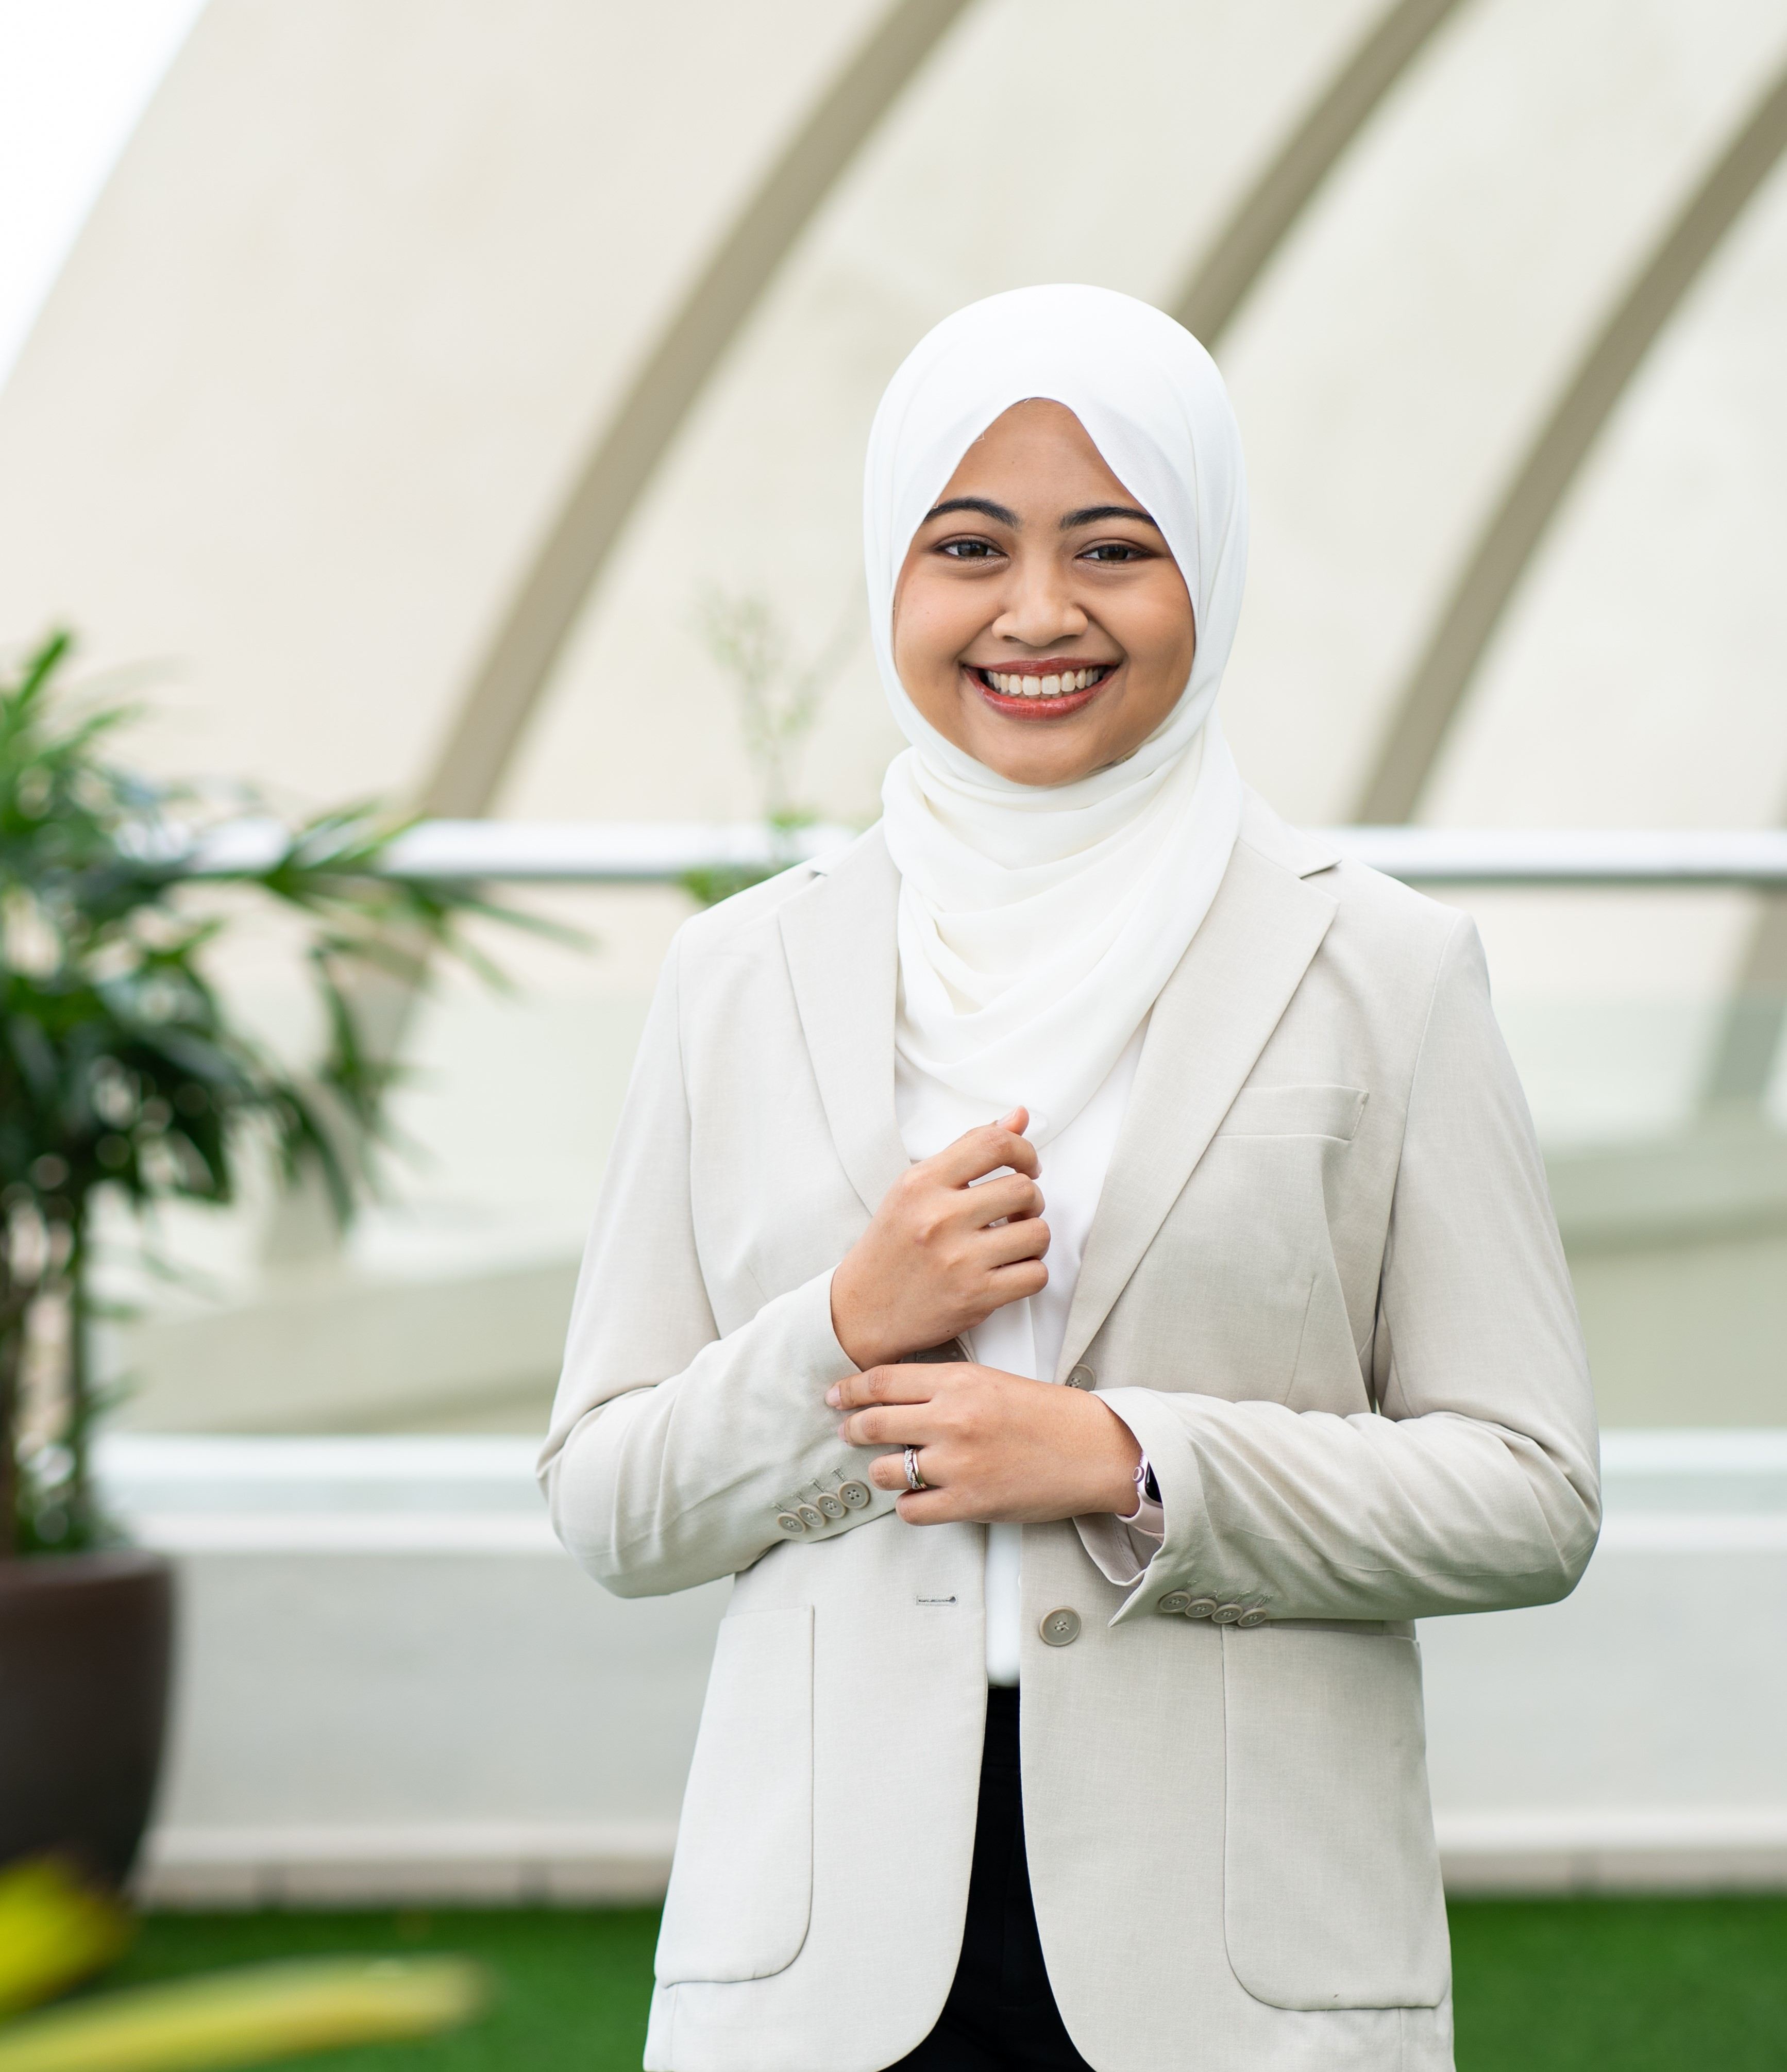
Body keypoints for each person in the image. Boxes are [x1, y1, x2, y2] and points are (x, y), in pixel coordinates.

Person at [540, 284, 1599, 2072]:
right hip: (819, 1971)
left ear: (1208, 563)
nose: (1038, 612)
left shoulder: (1386, 967)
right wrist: (844, 1330)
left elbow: (1528, 1489)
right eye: (971, 546)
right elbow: (608, 1500)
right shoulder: (742, 977)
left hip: (1242, 1974)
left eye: (1114, 546)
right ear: (893, 570)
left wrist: (1125, 1459)